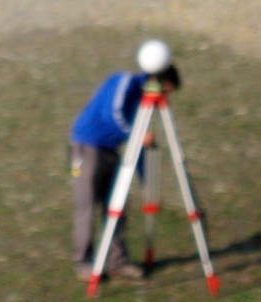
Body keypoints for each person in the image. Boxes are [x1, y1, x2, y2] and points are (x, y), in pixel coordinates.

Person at [69, 40, 181, 282]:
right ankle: (83, 263)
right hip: (87, 146)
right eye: (167, 91)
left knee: (117, 207)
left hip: (110, 149)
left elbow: (135, 140)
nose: (166, 99)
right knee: (87, 207)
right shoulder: (125, 83)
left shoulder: (141, 105)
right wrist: (138, 136)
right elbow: (114, 115)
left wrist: (146, 179)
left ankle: (118, 261)